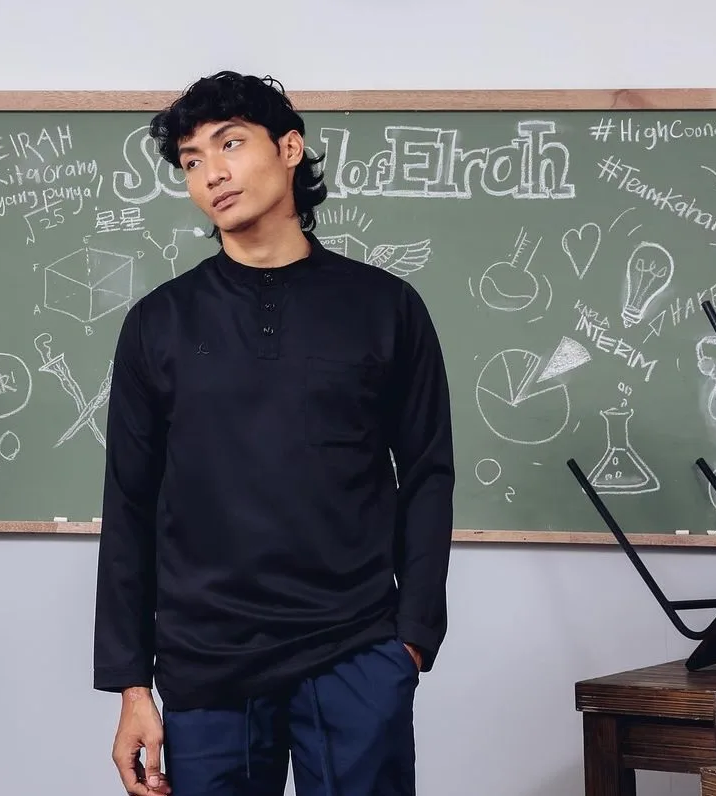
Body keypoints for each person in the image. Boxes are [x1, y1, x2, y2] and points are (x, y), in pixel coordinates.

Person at [93, 70, 455, 796]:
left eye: (230, 143)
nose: (211, 173)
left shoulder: (385, 307)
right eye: (191, 160)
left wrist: (412, 639)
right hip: (206, 658)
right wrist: (132, 684)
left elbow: (427, 473)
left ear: (290, 148)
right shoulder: (159, 322)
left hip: (354, 647)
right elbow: (129, 503)